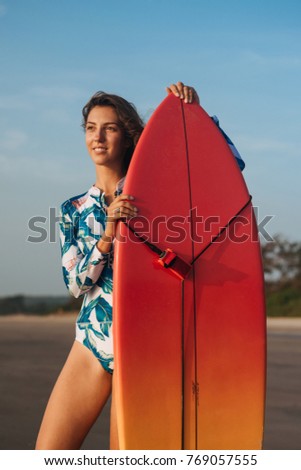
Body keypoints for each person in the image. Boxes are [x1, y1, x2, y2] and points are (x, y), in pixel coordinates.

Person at [35, 82, 244, 450]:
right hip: (92, 343)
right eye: (90, 128)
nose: (98, 137)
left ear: (127, 135)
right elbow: (74, 283)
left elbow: (229, 165)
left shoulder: (156, 193)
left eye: (110, 128)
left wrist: (194, 113)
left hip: (146, 346)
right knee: (48, 454)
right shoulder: (74, 209)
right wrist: (108, 233)